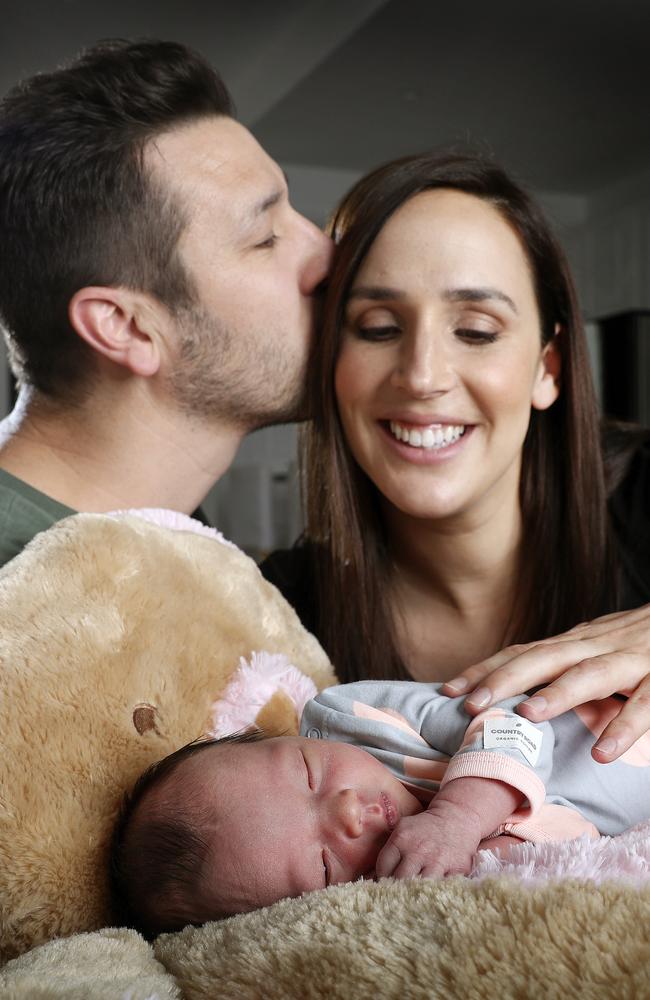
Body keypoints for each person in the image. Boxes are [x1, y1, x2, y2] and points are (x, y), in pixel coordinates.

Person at [261, 151, 650, 766]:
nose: (421, 376)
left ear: (547, 368)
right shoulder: (276, 611)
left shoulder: (642, 492)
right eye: (379, 327)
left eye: (475, 330)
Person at [0, 38, 331, 566]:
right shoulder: (23, 602)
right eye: (266, 237)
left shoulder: (151, 540)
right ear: (125, 327)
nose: (327, 255)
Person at [110, 678, 650, 937]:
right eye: (324, 865)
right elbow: (575, 847)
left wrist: (457, 816)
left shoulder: (359, 717)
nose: (346, 812)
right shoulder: (409, 893)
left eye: (307, 772)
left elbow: (517, 717)